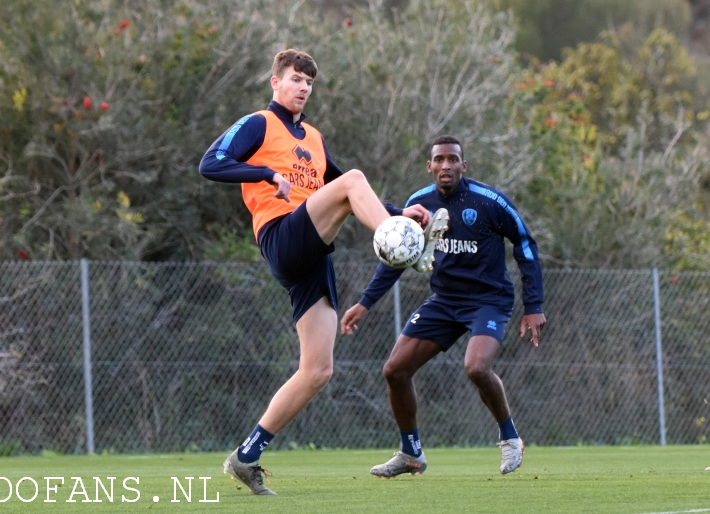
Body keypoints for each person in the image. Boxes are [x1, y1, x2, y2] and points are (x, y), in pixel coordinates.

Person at [199, 49, 446, 495]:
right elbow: (210, 163)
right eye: (295, 79)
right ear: (275, 81)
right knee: (353, 178)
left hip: (312, 256)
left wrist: (398, 210)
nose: (303, 88)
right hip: (281, 237)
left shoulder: (312, 136)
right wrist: (265, 173)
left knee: (318, 369)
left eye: (309, 82)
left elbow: (345, 193)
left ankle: (246, 456)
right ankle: (405, 243)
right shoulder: (259, 123)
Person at [341, 135, 546, 477]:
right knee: (395, 370)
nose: (446, 166)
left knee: (477, 368)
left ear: (464, 166)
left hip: (488, 301)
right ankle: (411, 454)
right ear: (430, 166)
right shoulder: (419, 204)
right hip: (445, 301)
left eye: (453, 159)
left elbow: (526, 245)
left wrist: (534, 304)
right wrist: (365, 303)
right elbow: (396, 256)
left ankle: (510, 438)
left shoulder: (490, 201)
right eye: (439, 160)